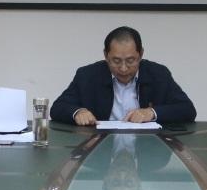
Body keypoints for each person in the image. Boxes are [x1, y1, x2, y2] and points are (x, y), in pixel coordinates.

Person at [50, 26, 196, 126]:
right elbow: (58, 108)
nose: (124, 68)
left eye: (131, 61)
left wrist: (152, 112)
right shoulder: (87, 75)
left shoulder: (158, 74)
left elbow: (187, 109)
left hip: (147, 148)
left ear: (141, 54)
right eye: (116, 61)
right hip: (101, 148)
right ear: (106, 55)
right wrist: (78, 112)